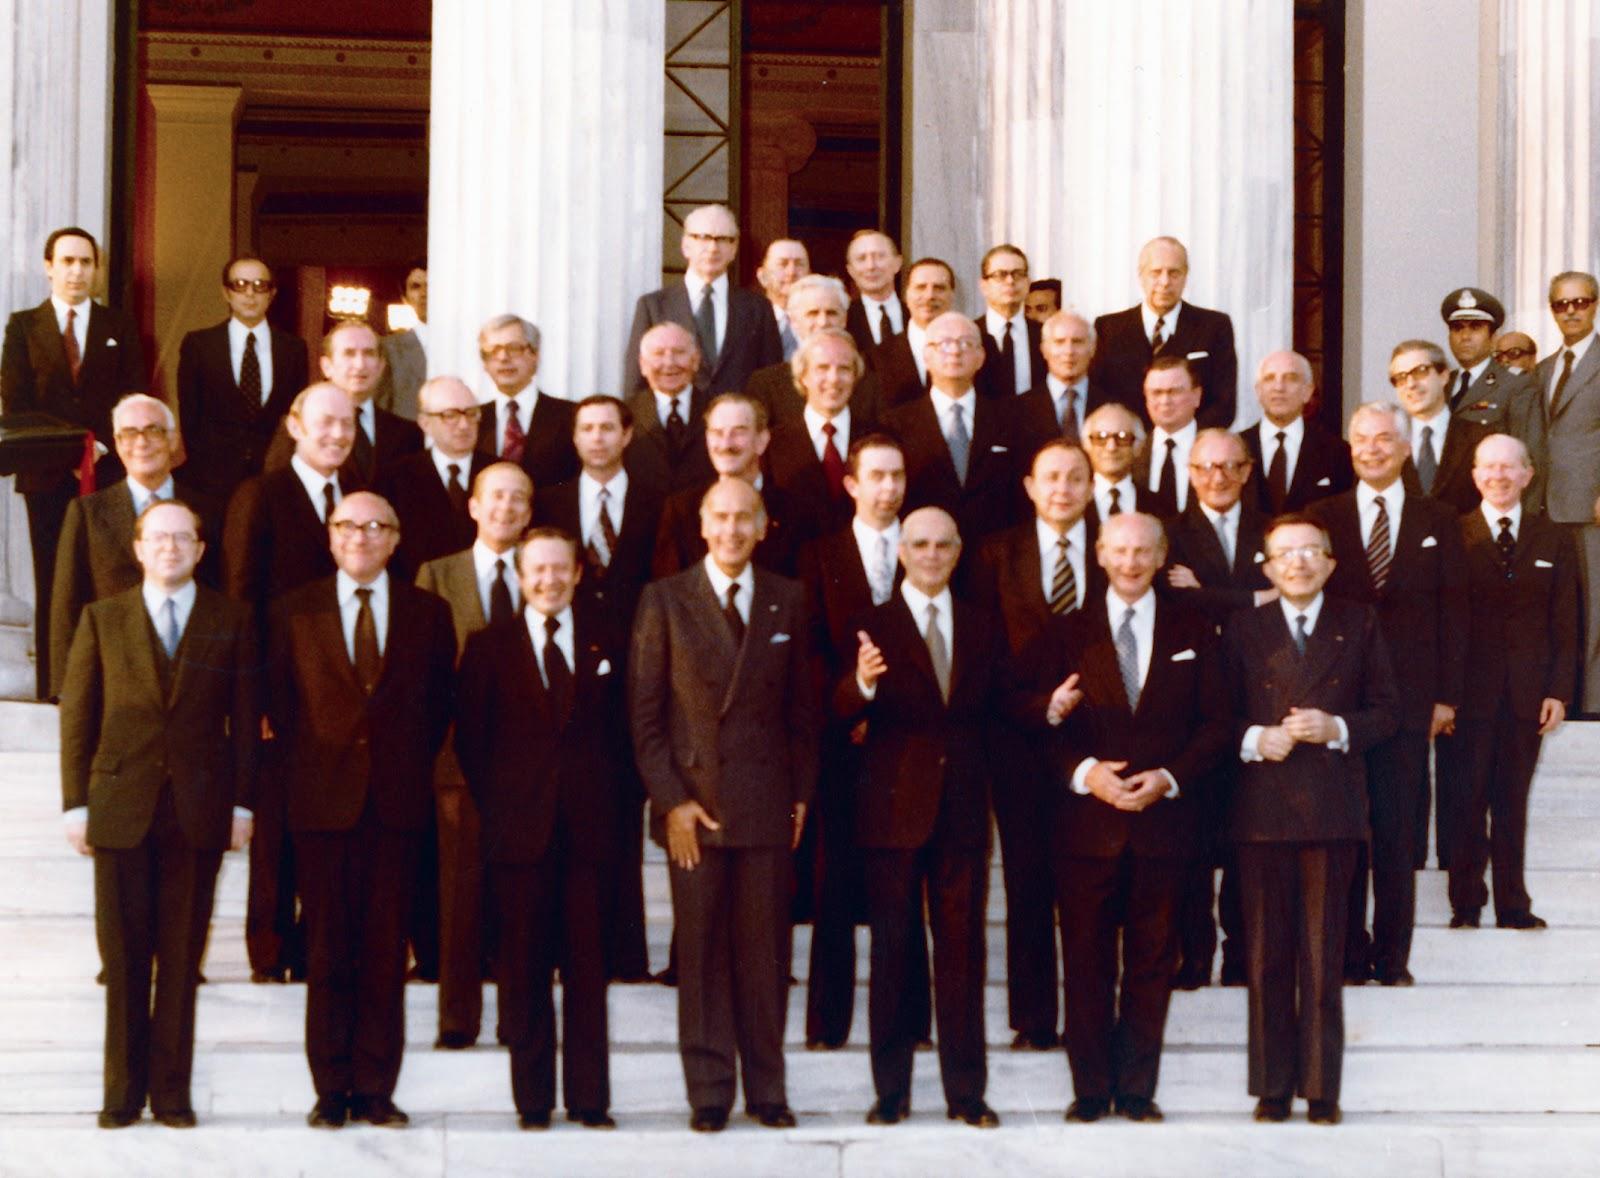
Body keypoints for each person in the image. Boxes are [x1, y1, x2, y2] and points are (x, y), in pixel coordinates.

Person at [1014, 511, 1227, 1122]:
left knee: (1152, 961)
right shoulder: (1064, 632)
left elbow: (1217, 723)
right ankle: (1089, 1090)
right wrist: (1087, 774)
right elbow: (1032, 721)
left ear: (1160, 557)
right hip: (1088, 829)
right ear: (1100, 555)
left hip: (1163, 826)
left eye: (1143, 551)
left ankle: (1136, 1090)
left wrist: (1170, 778)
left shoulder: (1195, 629)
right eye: (1119, 550)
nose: (1131, 562)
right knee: (1086, 962)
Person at [59, 498, 256, 1130]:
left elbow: (245, 723)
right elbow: (78, 717)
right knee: (123, 958)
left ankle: (171, 1094)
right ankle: (121, 1093)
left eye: (183, 538)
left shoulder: (231, 619)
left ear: (201, 550)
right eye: (158, 538)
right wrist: (75, 804)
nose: (170, 548)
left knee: (179, 959)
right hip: (120, 807)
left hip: (198, 809)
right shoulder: (102, 617)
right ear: (138, 549)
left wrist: (243, 804)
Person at [628, 476, 816, 1133]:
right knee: (703, 954)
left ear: (763, 527)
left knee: (765, 956)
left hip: (765, 804)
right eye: (721, 517)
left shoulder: (789, 598)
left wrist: (800, 795)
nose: (732, 529)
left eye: (744, 518)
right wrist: (672, 802)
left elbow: (802, 714)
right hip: (695, 811)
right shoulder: (664, 599)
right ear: (703, 525)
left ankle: (767, 1089)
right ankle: (709, 1092)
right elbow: (646, 719)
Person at [269, 491, 456, 1129]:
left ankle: (376, 1088)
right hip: (322, 807)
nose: (361, 536)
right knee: (326, 951)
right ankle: (330, 1089)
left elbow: (437, 706)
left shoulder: (429, 613)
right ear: (330, 536)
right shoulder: (293, 611)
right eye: (348, 525)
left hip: (396, 807)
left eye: (377, 526)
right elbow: (283, 709)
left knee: (384, 952)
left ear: (396, 539)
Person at [1224, 514, 1398, 1125]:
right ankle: (1272, 1088)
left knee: (1324, 958)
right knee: (1266, 957)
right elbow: (1215, 714)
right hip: (1262, 813)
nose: (1297, 563)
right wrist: (1255, 738)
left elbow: (1388, 712)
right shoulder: (1243, 628)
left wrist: (1338, 727)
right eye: (1285, 554)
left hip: (1332, 812)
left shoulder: (1360, 622)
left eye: (1309, 551)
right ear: (1267, 568)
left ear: (1330, 562)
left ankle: (1322, 1089)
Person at [838, 507, 1006, 1129]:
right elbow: (835, 707)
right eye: (920, 545)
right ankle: (891, 1093)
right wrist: (862, 684)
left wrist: (1047, 707)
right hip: (893, 812)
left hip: (961, 812)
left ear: (958, 552)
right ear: (901, 553)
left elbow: (999, 706)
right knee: (892, 953)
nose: (931, 555)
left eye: (943, 545)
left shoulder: (983, 625)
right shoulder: (870, 624)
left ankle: (967, 1094)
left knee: (963, 955)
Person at [455, 528, 625, 1130]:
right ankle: (532, 1101)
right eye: (537, 570)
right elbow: (472, 743)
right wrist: (508, 809)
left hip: (589, 836)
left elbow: (622, 737)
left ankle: (589, 1098)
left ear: (577, 573)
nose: (549, 580)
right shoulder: (487, 647)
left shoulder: (608, 640)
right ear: (521, 577)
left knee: (587, 973)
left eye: (559, 569)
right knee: (523, 972)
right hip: (519, 837)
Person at [1308, 402, 1467, 986]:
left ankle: (1393, 958)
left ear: (1404, 448)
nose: (1372, 449)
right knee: (1347, 831)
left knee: (1398, 834)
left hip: (1408, 702)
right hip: (1341, 703)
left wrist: (1446, 697)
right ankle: (1349, 955)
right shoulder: (1322, 516)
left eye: (1383, 439)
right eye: (1362, 440)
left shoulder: (1439, 518)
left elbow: (1456, 610)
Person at [794, 434, 929, 1052]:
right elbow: (811, 649)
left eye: (897, 475)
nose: (888, 487)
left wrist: (891, 712)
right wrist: (851, 702)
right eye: (876, 475)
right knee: (835, 883)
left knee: (906, 884)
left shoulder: (925, 548)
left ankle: (910, 1022)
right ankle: (828, 1023)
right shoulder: (819, 555)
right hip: (841, 740)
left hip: (909, 741)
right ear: (851, 484)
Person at [223, 381, 360, 985]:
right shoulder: (261, 495)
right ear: (295, 426)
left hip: (345, 692)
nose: (337, 434)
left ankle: (315, 947)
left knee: (330, 825)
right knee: (277, 826)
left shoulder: (360, 496)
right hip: (280, 693)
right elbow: (240, 601)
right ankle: (270, 947)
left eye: (347, 424)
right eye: (325, 422)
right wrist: (250, 699)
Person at [971, 440, 1097, 1049]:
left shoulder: (1112, 549)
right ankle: (1034, 1019)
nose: (1062, 489)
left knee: (1090, 884)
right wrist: (1036, 706)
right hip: (1017, 738)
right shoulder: (995, 554)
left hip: (1097, 738)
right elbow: (982, 650)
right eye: (1051, 477)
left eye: (1075, 478)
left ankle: (1090, 1016)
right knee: (1026, 881)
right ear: (1029, 486)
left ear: (1092, 487)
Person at [534, 396, 663, 981]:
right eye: (586, 428)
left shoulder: (657, 499)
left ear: (627, 434)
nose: (597, 438)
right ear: (575, 437)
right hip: (573, 664)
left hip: (638, 666)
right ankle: (566, 947)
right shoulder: (552, 500)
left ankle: (626, 953)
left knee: (624, 810)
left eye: (608, 428)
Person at [417, 462, 534, 1047]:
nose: (505, 508)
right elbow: (421, 669)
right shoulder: (437, 574)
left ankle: (519, 1018)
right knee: (459, 897)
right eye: (495, 497)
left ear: (530, 512)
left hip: (528, 767)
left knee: (519, 897)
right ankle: (457, 1019)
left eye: (518, 499)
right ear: (473, 506)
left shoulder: (543, 572)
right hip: (458, 763)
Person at [1, 227, 147, 698]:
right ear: (49, 267)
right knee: (52, 581)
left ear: (96, 269)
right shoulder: (23, 327)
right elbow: (16, 401)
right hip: (47, 478)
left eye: (86, 262)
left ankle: (112, 686)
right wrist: (64, 450)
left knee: (109, 577)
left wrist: (102, 445)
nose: (77, 271)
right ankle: (55, 687)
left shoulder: (118, 326)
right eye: (67, 261)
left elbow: (133, 393)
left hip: (106, 473)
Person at [1447, 434, 1578, 930]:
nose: (1498, 476)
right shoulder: (1454, 533)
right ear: (1474, 475)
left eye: (1508, 467)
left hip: (1527, 695)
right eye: (1488, 467)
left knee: (1512, 802)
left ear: (1527, 474)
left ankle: (1513, 904)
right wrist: (1443, 695)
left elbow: (1567, 620)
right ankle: (1465, 902)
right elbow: (1442, 620)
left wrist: (1559, 691)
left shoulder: (1554, 539)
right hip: (1467, 696)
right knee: (1465, 800)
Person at [1162, 428, 1276, 988]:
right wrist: (1251, 595)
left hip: (1258, 694)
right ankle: (1193, 955)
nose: (1218, 477)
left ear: (1248, 471)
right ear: (1190, 473)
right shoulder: (1169, 534)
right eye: (1206, 467)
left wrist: (1206, 591)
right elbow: (1173, 599)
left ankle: (1240, 956)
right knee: (1190, 836)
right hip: (1194, 701)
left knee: (1244, 836)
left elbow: (1282, 598)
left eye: (1231, 466)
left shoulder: (1271, 531)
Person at [49, 394, 220, 700]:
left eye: (153, 430)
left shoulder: (208, 511)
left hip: (192, 682)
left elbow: (221, 596)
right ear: (117, 443)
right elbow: (67, 605)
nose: (141, 442)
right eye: (129, 433)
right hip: (112, 683)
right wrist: (67, 691)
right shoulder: (88, 514)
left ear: (173, 440)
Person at [885, 311, 1030, 553]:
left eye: (965, 343)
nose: (954, 351)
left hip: (996, 554)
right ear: (926, 356)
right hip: (927, 554)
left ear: (980, 357)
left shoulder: (1010, 418)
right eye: (944, 343)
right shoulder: (895, 424)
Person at [175, 255, 309, 501]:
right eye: (240, 285)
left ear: (272, 293)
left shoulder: (293, 349)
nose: (250, 294)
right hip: (212, 481)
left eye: (260, 286)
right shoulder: (200, 345)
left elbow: (297, 417)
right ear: (226, 293)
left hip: (275, 477)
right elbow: (190, 418)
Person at [624, 203, 782, 396]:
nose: (713, 248)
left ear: (734, 248)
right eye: (703, 238)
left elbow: (771, 381)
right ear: (686, 245)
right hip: (675, 414)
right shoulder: (654, 306)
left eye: (722, 239)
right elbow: (637, 384)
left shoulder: (758, 308)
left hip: (739, 414)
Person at [1090, 236, 1238, 428]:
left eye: (1174, 273)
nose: (1165, 281)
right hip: (1126, 441)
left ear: (1185, 276)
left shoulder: (1215, 326)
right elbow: (1096, 395)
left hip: (1191, 442)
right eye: (1156, 272)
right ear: (1141, 276)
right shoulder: (1108, 328)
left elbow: (1224, 403)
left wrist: (1181, 438)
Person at [651, 392, 801, 577]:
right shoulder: (681, 510)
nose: (726, 444)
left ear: (761, 441)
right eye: (717, 433)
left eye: (739, 432)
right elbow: (668, 589)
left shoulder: (793, 511)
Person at [264, 321, 424, 485]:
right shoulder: (298, 427)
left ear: (381, 366)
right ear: (327, 366)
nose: (360, 364)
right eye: (349, 353)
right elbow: (277, 490)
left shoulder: (408, 434)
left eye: (369, 353)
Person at [378, 375, 491, 580]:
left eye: (471, 413)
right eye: (450, 415)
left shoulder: (499, 472)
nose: (464, 424)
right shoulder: (395, 479)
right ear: (425, 423)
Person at [766, 327, 873, 540]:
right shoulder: (773, 445)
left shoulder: (876, 437)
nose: (833, 378)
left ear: (855, 376)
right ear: (803, 376)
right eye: (822, 368)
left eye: (844, 369)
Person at [473, 314, 578, 490]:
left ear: (535, 355)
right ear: (484, 362)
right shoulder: (471, 419)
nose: (503, 358)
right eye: (493, 350)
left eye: (514, 348)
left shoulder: (571, 416)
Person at [1242, 351, 1353, 515]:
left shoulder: (1338, 452)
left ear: (1307, 391)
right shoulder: (1237, 446)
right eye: (1269, 378)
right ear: (1258, 391)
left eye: (1290, 378)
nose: (1279, 387)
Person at [1391, 340, 1490, 514]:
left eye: (1420, 371)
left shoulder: (1481, 439)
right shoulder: (1387, 443)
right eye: (1401, 377)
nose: (1411, 384)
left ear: (1444, 376)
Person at [626, 322, 712, 495]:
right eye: (659, 354)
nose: (669, 363)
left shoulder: (717, 409)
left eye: (679, 352)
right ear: (643, 365)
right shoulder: (624, 414)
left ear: (695, 360)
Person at [874, 257, 957, 410]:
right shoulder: (877, 357)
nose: (929, 295)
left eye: (939, 288)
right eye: (920, 287)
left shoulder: (974, 348)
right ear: (906, 294)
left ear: (952, 295)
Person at [1016, 310, 1109, 444]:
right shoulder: (1017, 410)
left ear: (1093, 349)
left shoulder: (1111, 406)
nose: (1069, 351)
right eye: (1059, 342)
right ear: (1044, 350)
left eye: (1077, 342)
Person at [1133, 355, 1203, 517]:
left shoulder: (1217, 449)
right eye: (1156, 393)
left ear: (1196, 396)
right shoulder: (1133, 452)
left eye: (1175, 391)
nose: (1165, 401)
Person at [974, 244, 1047, 398]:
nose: (1010, 281)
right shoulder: (970, 334)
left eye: (1018, 274)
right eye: (1000, 275)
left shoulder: (1044, 335)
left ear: (1028, 283)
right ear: (984, 285)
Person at [1081, 403, 1161, 526]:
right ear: (1086, 446)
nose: (1111, 447)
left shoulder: (1160, 506)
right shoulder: (1073, 502)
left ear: (1138, 446)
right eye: (1101, 438)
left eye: (1122, 438)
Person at [376, 261, 428, 420]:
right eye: (415, 287)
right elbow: (381, 408)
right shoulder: (389, 349)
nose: (424, 293)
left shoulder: (468, 344)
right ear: (405, 298)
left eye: (431, 284)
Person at [844, 229, 906, 354]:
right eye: (861, 259)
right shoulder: (843, 319)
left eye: (879, 256)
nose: (871, 266)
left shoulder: (917, 314)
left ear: (898, 263)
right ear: (850, 270)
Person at [755, 238, 810, 359]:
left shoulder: (822, 321)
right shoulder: (748, 323)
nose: (791, 272)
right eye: (782, 264)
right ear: (763, 276)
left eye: (799, 264)